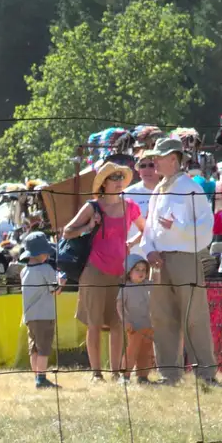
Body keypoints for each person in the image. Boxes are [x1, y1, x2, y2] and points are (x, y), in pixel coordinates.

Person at [139, 137, 219, 386]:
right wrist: (148, 249)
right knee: (162, 317)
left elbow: (207, 227)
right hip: (159, 261)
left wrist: (180, 227)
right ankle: (169, 374)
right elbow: (149, 226)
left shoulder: (190, 187)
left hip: (185, 258)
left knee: (193, 316)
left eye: (158, 158)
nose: (153, 163)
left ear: (173, 159)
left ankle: (205, 373)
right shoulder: (159, 190)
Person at [60, 160, 143, 382]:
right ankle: (96, 373)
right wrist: (88, 227)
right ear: (103, 184)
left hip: (120, 272)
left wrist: (131, 244)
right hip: (94, 271)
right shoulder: (92, 206)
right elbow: (67, 232)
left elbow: (146, 229)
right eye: (113, 178)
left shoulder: (131, 206)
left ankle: (115, 373)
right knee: (94, 324)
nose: (118, 182)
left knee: (118, 324)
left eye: (120, 178)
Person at [19, 232, 60, 390]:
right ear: (40, 253)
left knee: (34, 348)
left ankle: (36, 376)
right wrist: (61, 281)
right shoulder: (46, 269)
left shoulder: (24, 271)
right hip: (44, 316)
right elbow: (54, 290)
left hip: (29, 316)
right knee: (44, 348)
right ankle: (41, 380)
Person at [118, 254, 155, 382]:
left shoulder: (147, 284)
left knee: (146, 351)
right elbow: (119, 305)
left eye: (144, 270)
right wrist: (125, 320)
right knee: (132, 351)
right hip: (133, 326)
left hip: (148, 325)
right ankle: (125, 376)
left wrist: (157, 270)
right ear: (129, 272)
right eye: (137, 269)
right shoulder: (126, 288)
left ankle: (143, 376)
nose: (141, 273)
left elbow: (159, 284)